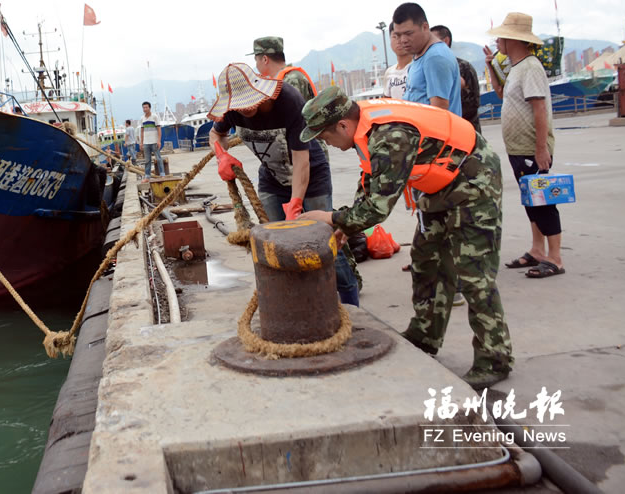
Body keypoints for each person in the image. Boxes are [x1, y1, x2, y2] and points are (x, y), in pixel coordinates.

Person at [298, 86, 513, 388]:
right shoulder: (364, 129)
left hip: (474, 179)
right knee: (426, 261)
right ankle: (425, 335)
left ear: (342, 125)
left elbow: (379, 206)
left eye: (325, 137)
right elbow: (371, 181)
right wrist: (346, 226)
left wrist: (331, 217)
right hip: (438, 185)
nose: (327, 143)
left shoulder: (389, 136)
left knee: (474, 272)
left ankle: (495, 358)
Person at [208, 62, 359, 306]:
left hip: (311, 175)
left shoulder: (288, 100)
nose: (244, 109)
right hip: (272, 177)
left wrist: (297, 201)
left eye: (249, 101)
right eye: (238, 105)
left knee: (324, 240)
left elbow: (301, 160)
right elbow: (216, 134)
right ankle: (294, 302)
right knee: (274, 243)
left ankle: (350, 299)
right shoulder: (232, 109)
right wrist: (221, 155)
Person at [250, 36, 363, 297]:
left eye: (257, 60)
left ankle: (347, 291)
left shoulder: (289, 84)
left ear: (264, 58)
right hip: (280, 172)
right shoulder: (273, 85)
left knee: (323, 238)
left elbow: (302, 146)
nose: (257, 66)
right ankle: (302, 296)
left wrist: (296, 199)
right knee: (284, 240)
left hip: (308, 169)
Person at [485, 13, 564, 278]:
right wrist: (490, 66)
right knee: (531, 200)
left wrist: (541, 148)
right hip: (518, 148)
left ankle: (555, 257)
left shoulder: (530, 67)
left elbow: (539, 109)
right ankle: (537, 249)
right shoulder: (516, 67)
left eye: (501, 37)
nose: (497, 41)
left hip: (532, 148)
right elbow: (500, 93)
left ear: (513, 39)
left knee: (543, 201)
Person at [393, 3, 461, 115]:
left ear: (425, 27)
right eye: (398, 35)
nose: (403, 40)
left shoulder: (435, 57)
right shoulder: (419, 55)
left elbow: (439, 112)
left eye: (408, 33)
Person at [431, 24, 482, 132]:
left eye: (432, 41)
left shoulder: (464, 67)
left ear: (445, 41)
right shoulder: (431, 67)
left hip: (466, 129)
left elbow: (474, 102)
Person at [383, 22, 412, 99]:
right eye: (395, 36)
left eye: (403, 36)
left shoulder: (418, 67)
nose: (399, 41)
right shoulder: (389, 73)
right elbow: (387, 102)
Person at [139, 102, 163, 182]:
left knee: (158, 158)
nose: (145, 109)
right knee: (147, 160)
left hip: (154, 142)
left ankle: (162, 175)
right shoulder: (142, 118)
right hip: (146, 142)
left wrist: (159, 141)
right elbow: (142, 131)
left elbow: (159, 129)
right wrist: (141, 142)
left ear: (150, 108)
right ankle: (147, 177)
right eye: (143, 108)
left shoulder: (154, 117)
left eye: (146, 107)